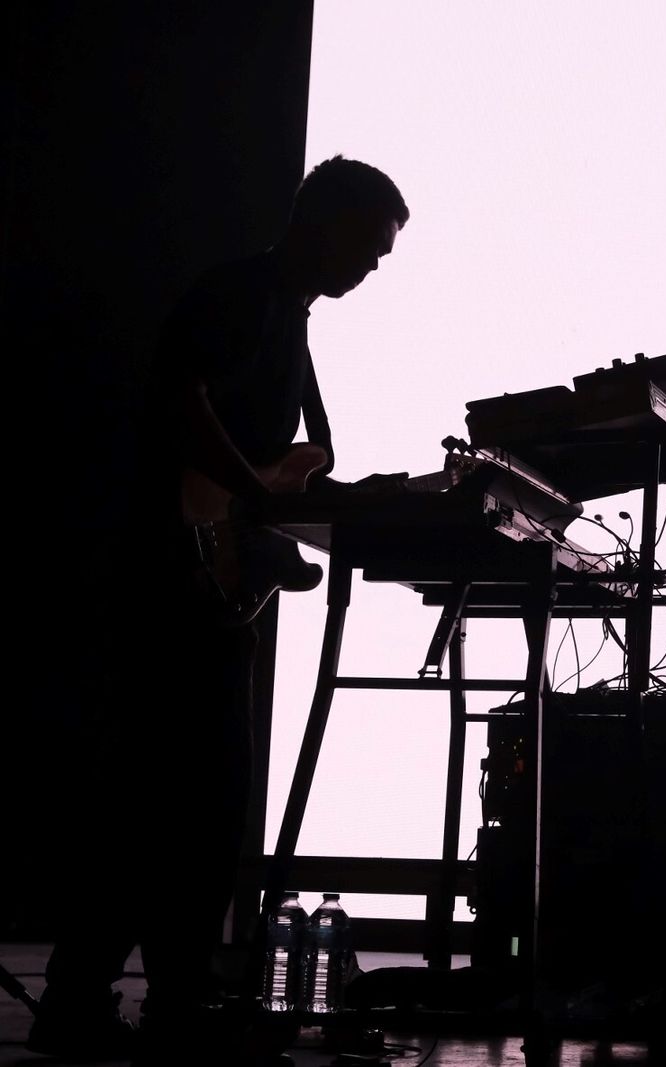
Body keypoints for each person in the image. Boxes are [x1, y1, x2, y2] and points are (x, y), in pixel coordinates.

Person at [28, 156, 408, 1065]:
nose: (375, 267)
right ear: (327, 224)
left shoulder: (283, 317)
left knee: (184, 801)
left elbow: (263, 468)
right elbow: (181, 402)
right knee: (181, 799)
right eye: (371, 246)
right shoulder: (247, 297)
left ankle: (148, 995)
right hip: (173, 576)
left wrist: (332, 498)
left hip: (199, 579)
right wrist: (255, 494)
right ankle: (114, 998)